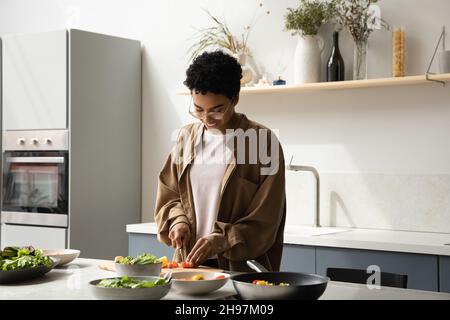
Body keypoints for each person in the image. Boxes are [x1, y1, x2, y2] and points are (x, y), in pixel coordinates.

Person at [154, 50, 286, 272]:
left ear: (235, 98)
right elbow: (169, 194)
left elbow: (267, 219)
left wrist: (223, 239)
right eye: (198, 109)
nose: (206, 119)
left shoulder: (263, 142)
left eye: (217, 110)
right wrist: (177, 220)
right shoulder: (185, 138)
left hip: (241, 273)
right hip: (189, 269)